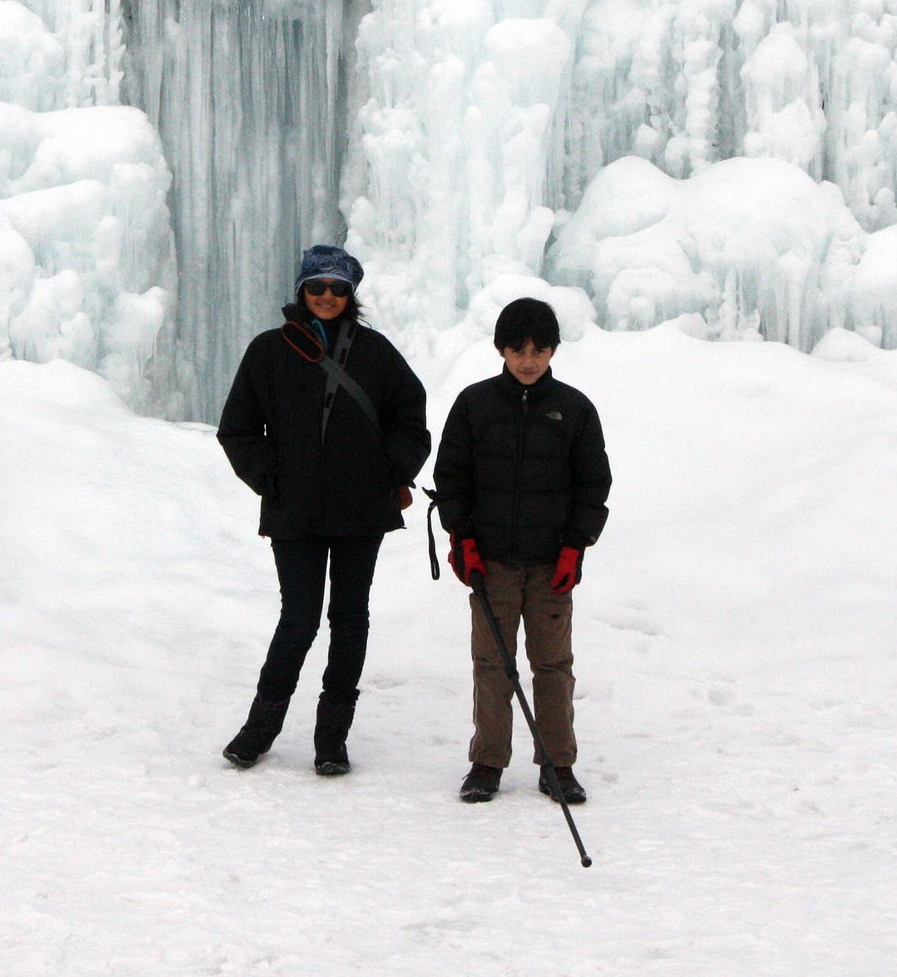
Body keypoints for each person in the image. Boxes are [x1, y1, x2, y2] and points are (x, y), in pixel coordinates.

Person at [216, 245, 430, 776]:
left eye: (338, 288)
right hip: (296, 512)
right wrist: (272, 479)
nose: (328, 297)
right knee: (300, 617)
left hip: (361, 509)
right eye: (317, 287)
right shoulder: (268, 351)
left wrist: (391, 472)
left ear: (351, 294)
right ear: (301, 292)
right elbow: (238, 428)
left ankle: (331, 738)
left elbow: (412, 419)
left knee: (349, 618)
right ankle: (259, 729)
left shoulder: (377, 353)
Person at [433, 296, 610, 806]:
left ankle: (558, 765)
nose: (529, 360)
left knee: (552, 665)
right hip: (491, 561)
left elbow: (592, 485)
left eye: (539, 349)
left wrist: (576, 547)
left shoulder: (574, 410)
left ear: (554, 350)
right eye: (518, 349)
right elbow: (452, 477)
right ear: (501, 350)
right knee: (492, 663)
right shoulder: (474, 405)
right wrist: (461, 537)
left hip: (551, 562)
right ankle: (487, 762)